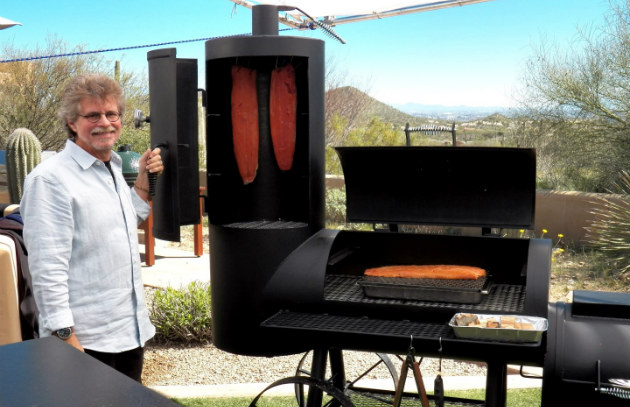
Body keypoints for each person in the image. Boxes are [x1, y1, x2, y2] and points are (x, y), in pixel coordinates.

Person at [20, 73, 164, 382]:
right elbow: (47, 269)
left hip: (129, 334)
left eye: (112, 114)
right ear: (72, 122)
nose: (105, 122)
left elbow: (121, 224)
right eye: (92, 115)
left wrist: (142, 181)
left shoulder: (110, 167)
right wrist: (65, 338)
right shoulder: (51, 180)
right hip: (87, 343)